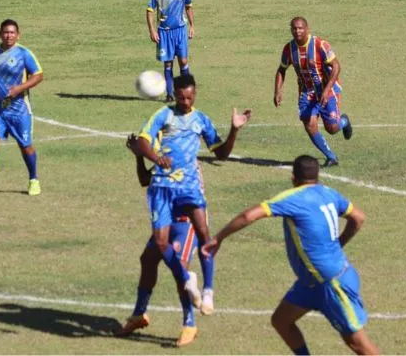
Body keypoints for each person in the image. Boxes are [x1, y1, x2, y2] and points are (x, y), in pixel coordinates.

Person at [201, 155, 380, 355]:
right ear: (317, 176)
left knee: (358, 344)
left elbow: (248, 216)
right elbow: (358, 218)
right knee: (281, 321)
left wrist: (219, 238)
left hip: (331, 283)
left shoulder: (292, 198)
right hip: (311, 283)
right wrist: (339, 243)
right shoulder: (330, 193)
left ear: (293, 178)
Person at [132, 74, 252, 344]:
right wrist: (154, 157)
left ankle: (198, 306)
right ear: (174, 93)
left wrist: (234, 130)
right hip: (162, 192)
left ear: (195, 93)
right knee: (151, 256)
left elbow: (220, 153)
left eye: (190, 97)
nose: (186, 102)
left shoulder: (201, 120)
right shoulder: (163, 115)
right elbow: (141, 142)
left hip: (186, 200)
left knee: (196, 242)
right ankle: (142, 312)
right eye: (181, 97)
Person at [116, 134, 205, 347]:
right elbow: (145, 180)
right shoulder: (164, 158)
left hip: (186, 223)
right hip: (166, 222)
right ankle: (139, 315)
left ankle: (190, 324)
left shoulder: (184, 160)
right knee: (147, 260)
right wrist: (139, 157)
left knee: (179, 267)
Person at [0, 19, 44, 199]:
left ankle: (33, 179)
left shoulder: (24, 54)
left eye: (12, 32)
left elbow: (39, 75)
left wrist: (20, 88)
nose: (8, 35)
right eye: (5, 32)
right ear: (0, 34)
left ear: (18, 35)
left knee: (26, 146)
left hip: (19, 109)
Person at [274, 17, 353, 167]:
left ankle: (344, 121)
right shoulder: (289, 49)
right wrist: (278, 91)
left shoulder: (319, 45)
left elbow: (336, 66)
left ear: (307, 28)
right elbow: (281, 69)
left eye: (300, 28)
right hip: (306, 92)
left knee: (332, 128)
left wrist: (327, 89)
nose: (297, 31)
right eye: (294, 29)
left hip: (326, 90)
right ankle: (331, 157)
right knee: (309, 124)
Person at [147, 0, 195, 102]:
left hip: (180, 30)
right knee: (168, 63)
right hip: (164, 32)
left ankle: (186, 91)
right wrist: (152, 31)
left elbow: (188, 7)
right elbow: (150, 10)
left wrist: (192, 26)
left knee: (183, 61)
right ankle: (169, 94)